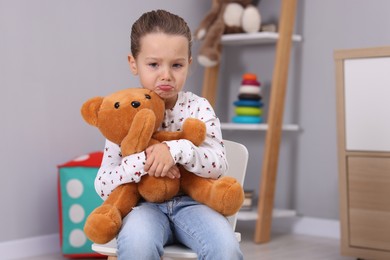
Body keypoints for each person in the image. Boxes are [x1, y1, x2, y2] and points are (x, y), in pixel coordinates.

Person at [94, 9, 243, 260]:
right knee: (137, 245)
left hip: (194, 204)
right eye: (153, 64)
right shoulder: (123, 112)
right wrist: (146, 161)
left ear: (189, 64)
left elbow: (218, 165)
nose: (166, 75)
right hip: (142, 208)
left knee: (225, 248)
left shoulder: (198, 107)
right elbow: (103, 186)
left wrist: (175, 151)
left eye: (177, 65)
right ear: (134, 63)